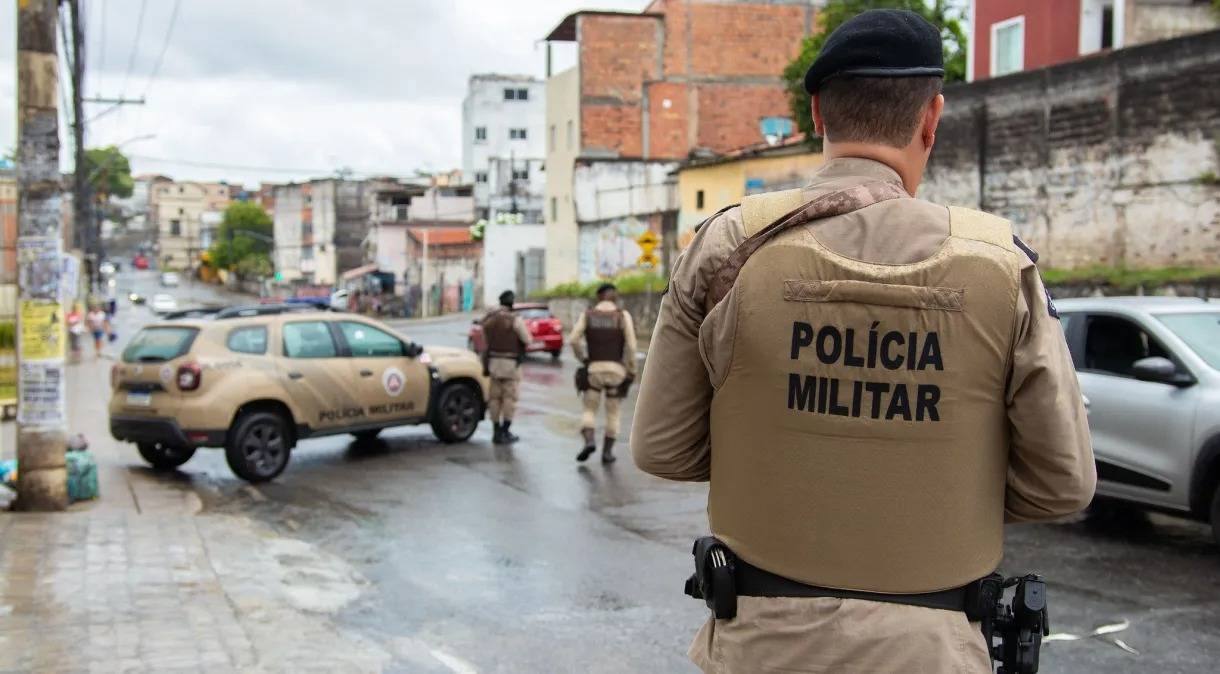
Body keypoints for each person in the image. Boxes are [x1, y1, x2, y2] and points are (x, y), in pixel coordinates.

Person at [630, 10, 1096, 673]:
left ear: (818, 113)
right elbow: (1063, 485)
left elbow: (662, 449)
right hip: (933, 650)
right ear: (932, 117)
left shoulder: (726, 246)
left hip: (762, 647)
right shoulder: (1000, 264)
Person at [568, 283, 637, 464]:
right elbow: (631, 346)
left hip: (593, 371)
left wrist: (583, 359)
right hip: (616, 371)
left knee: (589, 409)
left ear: (598, 297)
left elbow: (573, 339)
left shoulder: (587, 315)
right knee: (613, 412)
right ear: (614, 297)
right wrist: (631, 369)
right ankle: (607, 453)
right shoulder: (623, 316)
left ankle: (589, 441)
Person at [481, 290, 531, 444]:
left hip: (493, 363)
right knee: (509, 397)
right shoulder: (515, 319)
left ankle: (496, 430)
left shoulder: (490, 318)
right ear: (512, 303)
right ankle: (505, 430)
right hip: (510, 363)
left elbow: (484, 334)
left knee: (494, 398)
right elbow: (527, 339)